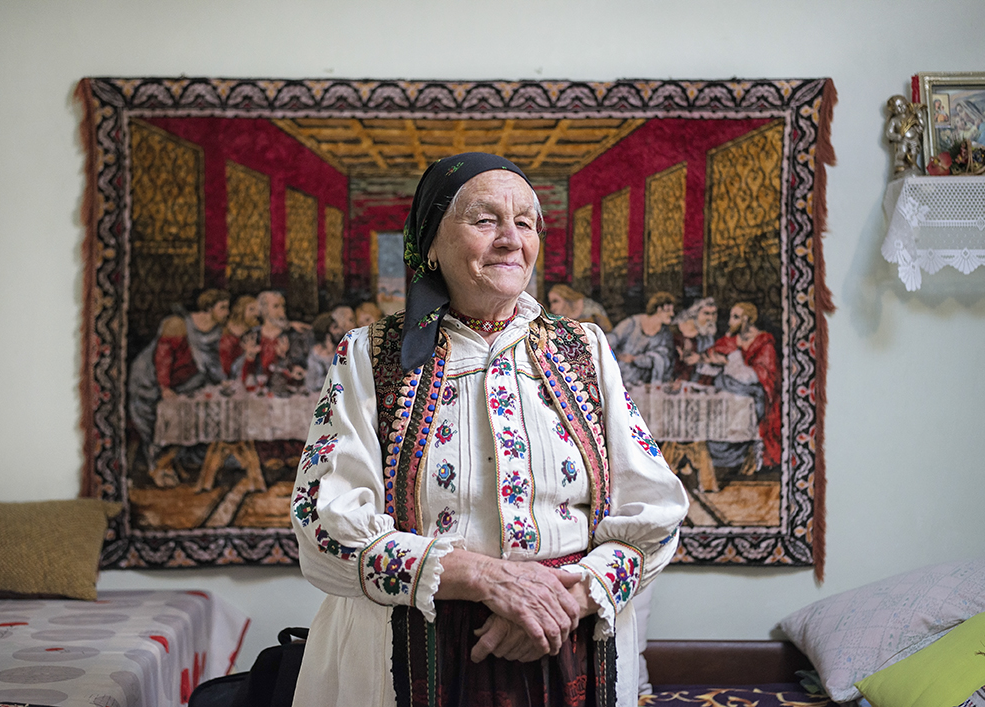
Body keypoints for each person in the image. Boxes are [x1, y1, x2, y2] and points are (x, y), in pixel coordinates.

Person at [290, 153, 688, 707]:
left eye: (525, 222)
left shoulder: (586, 349)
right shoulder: (369, 354)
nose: (511, 239)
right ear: (430, 243)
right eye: (484, 220)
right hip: (408, 650)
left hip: (566, 643)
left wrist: (565, 601)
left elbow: (656, 512)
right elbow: (324, 524)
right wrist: (484, 579)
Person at [127, 289, 229, 487]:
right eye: (223, 307)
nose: (227, 312)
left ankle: (172, 463)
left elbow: (213, 362)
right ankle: (157, 466)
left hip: (185, 382)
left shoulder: (217, 330)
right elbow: (163, 357)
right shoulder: (178, 324)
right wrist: (164, 387)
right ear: (209, 308)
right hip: (152, 380)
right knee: (159, 425)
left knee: (188, 419)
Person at [705, 302, 781, 470]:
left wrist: (728, 361)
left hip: (753, 397)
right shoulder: (730, 341)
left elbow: (755, 378)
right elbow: (710, 360)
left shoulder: (764, 344)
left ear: (746, 320)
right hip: (726, 397)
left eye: (736, 317)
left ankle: (747, 458)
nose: (730, 322)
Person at [606, 292, 677, 387]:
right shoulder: (632, 323)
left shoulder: (665, 334)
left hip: (646, 383)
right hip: (622, 377)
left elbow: (664, 358)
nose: (672, 314)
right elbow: (612, 339)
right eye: (668, 310)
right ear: (659, 309)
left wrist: (635, 359)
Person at [672, 297, 719, 383]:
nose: (710, 318)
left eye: (714, 313)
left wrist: (700, 359)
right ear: (695, 313)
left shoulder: (707, 336)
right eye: (706, 313)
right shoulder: (675, 330)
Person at [219, 294, 260, 378]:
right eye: (251, 309)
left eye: (257, 310)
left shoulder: (253, 333)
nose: (257, 314)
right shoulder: (227, 338)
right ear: (240, 310)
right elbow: (226, 371)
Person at [547, 283, 613, 332]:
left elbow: (607, 328)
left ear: (567, 299)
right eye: (550, 303)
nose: (552, 308)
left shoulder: (589, 307)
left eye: (555, 301)